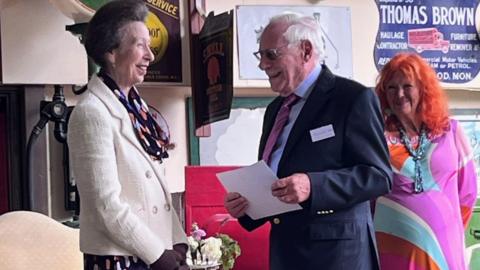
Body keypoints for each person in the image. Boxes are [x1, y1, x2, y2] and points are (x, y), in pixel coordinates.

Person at [224, 12, 393, 270]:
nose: (263, 65)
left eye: (271, 54)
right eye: (261, 57)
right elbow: (275, 178)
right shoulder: (275, 110)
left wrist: (314, 186)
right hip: (287, 254)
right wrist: (247, 206)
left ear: (305, 50)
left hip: (338, 257)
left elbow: (379, 176)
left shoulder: (351, 98)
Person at [67, 1, 189, 269]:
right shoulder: (91, 113)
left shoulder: (137, 108)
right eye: (139, 45)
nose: (150, 56)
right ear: (111, 51)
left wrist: (178, 240)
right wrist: (158, 254)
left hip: (151, 252)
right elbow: (105, 205)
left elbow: (157, 191)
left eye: (149, 45)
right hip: (118, 259)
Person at [373, 53, 477, 270]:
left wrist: (441, 227)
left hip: (445, 251)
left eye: (407, 86)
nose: (399, 94)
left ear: (422, 89)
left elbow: (467, 194)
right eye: (391, 87)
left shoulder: (451, 132)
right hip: (394, 251)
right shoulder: (377, 138)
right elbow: (368, 195)